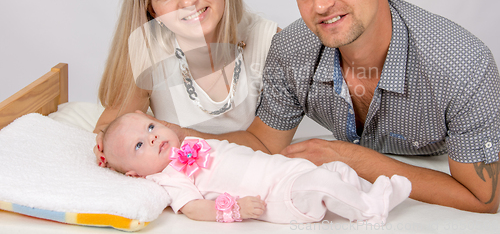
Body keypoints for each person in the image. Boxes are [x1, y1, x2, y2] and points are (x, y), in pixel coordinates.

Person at [158, 0, 500, 213]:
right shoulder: (291, 51)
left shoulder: (462, 64)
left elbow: (483, 198)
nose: (321, 5)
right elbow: (263, 144)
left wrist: (353, 159)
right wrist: (171, 134)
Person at [93, 0, 278, 162]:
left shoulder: (271, 42)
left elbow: (268, 146)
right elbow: (108, 128)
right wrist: (105, 143)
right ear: (153, 11)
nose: (187, 1)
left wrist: (183, 135)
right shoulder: (149, 53)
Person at [100, 112, 411, 224]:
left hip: (282, 170)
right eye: (139, 146)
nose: (152, 137)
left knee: (336, 170)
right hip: (276, 197)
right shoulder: (168, 178)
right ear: (134, 174)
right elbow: (194, 208)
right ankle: (371, 210)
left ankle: (367, 191)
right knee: (321, 184)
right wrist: (233, 209)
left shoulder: (190, 143)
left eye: (151, 126)